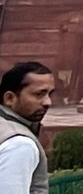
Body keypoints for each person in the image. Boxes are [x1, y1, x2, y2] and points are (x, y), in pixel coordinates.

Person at [0, 61, 54, 194]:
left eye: (49, 94)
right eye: (39, 94)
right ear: (10, 98)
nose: (48, 102)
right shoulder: (19, 143)